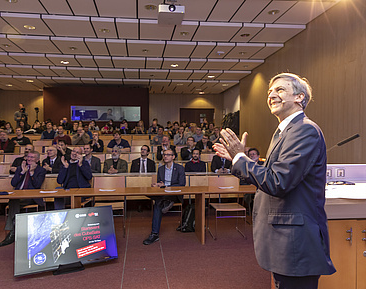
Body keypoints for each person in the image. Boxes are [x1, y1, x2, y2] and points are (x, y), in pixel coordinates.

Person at [213, 73, 336, 288]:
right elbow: (274, 175)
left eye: (280, 90)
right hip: (285, 241)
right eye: (270, 92)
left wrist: (241, 158)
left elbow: (278, 182)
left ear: (299, 97)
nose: (272, 95)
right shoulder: (284, 131)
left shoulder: (304, 130)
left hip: (295, 243)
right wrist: (237, 159)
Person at [0, 151, 46, 247]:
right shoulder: (20, 168)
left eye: (32, 157)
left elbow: (37, 185)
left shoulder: (41, 170)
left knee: (13, 201)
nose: (29, 159)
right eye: (28, 157)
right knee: (14, 200)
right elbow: (13, 183)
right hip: (18, 196)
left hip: (32, 197)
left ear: (37, 160)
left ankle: (12, 233)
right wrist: (22, 172)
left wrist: (31, 173)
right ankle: (14, 228)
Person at [143, 148, 186, 245]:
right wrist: (158, 185)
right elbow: (160, 183)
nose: (165, 156)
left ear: (173, 157)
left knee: (158, 203)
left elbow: (182, 184)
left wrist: (166, 186)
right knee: (148, 193)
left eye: (168, 154)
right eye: (164, 155)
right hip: (163, 193)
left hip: (175, 194)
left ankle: (154, 234)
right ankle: (166, 202)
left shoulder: (179, 168)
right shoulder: (161, 169)